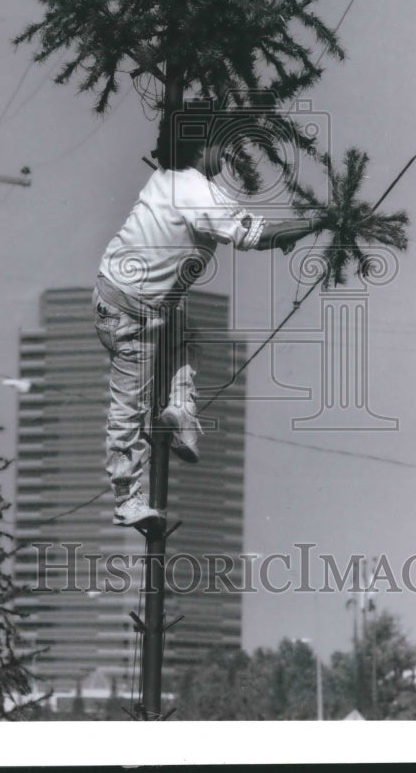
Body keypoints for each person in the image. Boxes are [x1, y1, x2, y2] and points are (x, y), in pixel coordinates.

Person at [93, 107, 326, 526]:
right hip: (135, 317)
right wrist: (310, 224)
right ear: (204, 147)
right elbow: (256, 235)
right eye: (220, 144)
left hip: (117, 298)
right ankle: (127, 498)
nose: (227, 155)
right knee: (129, 406)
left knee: (186, 337)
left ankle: (178, 410)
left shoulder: (165, 177)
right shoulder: (200, 193)